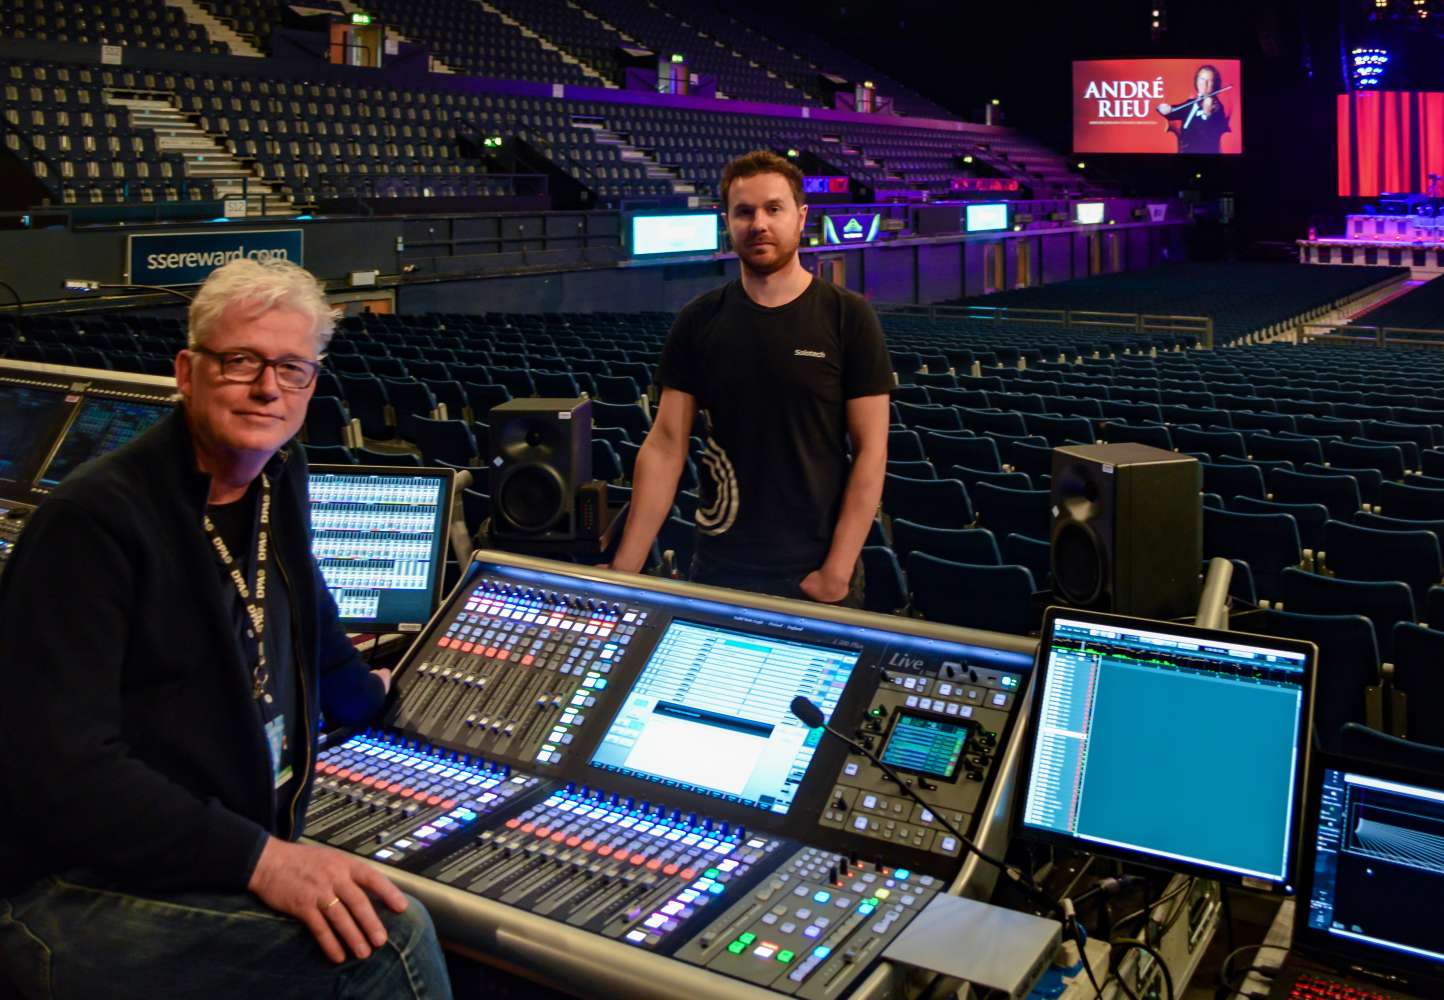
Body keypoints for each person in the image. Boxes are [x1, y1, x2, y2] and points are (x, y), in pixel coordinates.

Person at [0, 259, 452, 999]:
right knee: (390, 945)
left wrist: (379, 704)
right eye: (241, 361)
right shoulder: (92, 523)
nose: (267, 387)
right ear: (187, 370)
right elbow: (64, 775)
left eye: (292, 368)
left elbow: (309, 615)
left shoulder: (279, 471)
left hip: (186, 846)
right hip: (58, 891)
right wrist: (264, 861)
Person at [610, 150, 891, 608]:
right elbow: (665, 444)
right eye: (745, 211)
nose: (759, 223)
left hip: (814, 574)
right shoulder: (698, 320)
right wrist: (626, 567)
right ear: (728, 222)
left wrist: (836, 573)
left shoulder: (848, 316)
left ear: (801, 218)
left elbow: (871, 449)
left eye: (773, 209)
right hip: (719, 568)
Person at [1157, 64, 1230, 155]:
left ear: (1215, 84)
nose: (1204, 84)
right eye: (1202, 79)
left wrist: (1206, 114)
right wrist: (1165, 109)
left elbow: (1209, 136)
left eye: (1209, 81)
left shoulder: (1217, 107)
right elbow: (1174, 112)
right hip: (1182, 151)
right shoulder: (1191, 102)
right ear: (1197, 81)